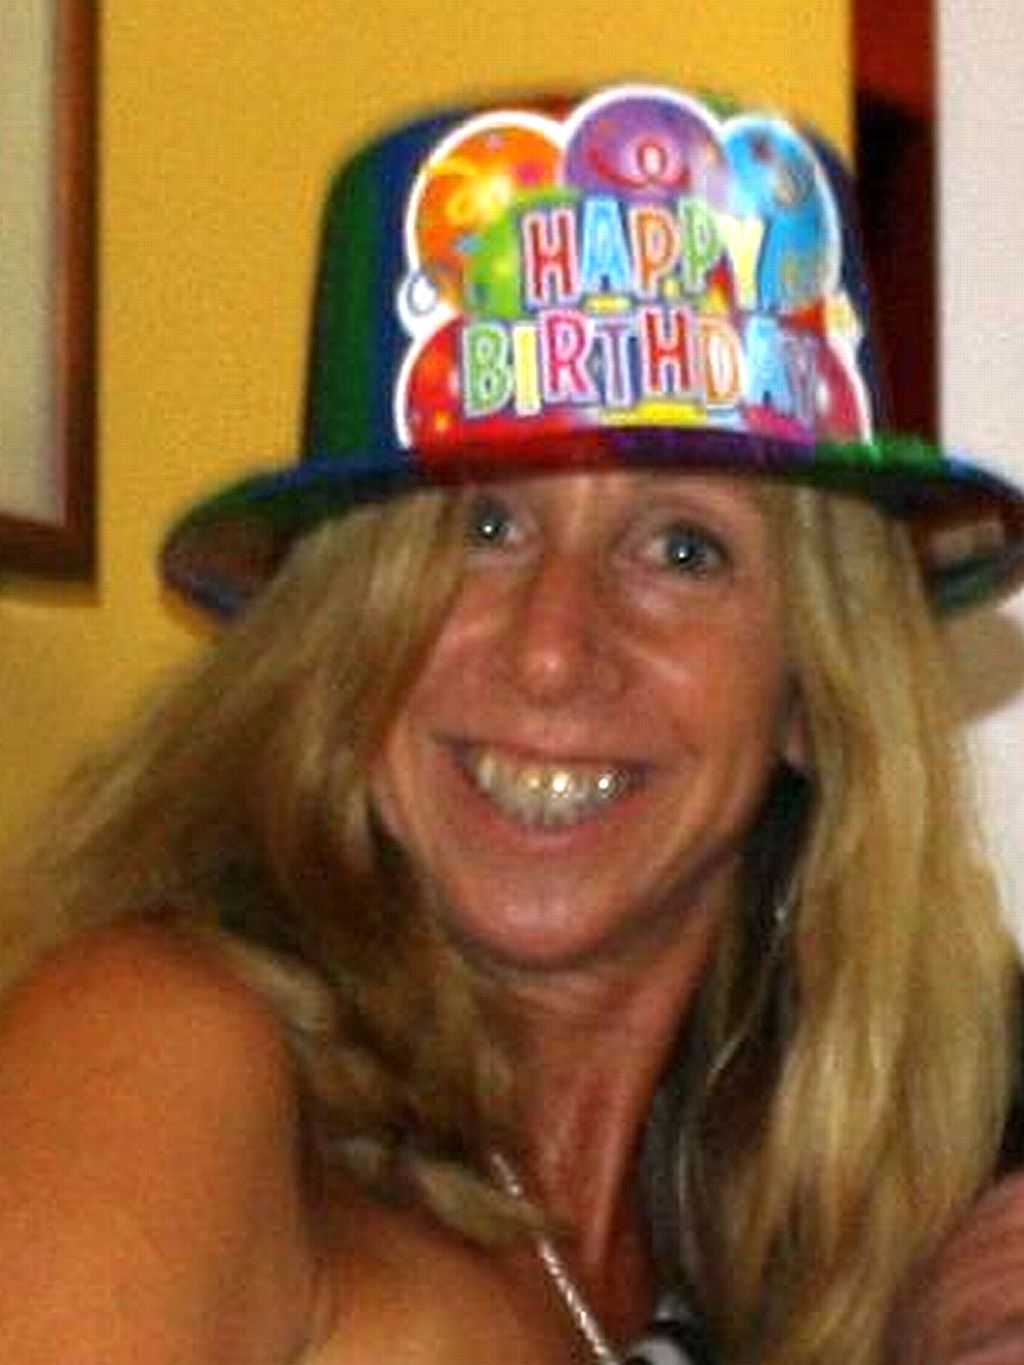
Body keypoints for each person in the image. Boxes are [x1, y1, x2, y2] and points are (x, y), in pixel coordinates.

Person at [2, 83, 1024, 1365]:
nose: (550, 648)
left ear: (813, 692)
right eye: (483, 529)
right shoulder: (164, 1051)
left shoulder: (794, 1210)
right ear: (340, 637)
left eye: (682, 549)